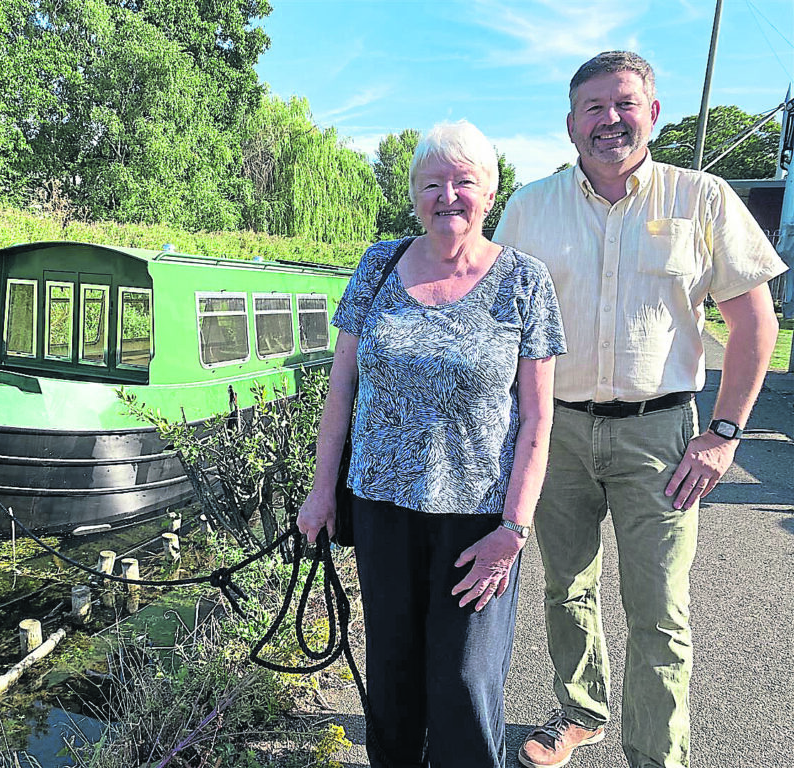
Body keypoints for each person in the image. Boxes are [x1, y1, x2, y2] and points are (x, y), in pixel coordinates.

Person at [494, 51, 787, 768]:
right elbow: (495, 324)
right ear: (570, 125)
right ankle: (578, 713)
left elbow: (756, 324)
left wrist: (723, 434)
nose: (610, 120)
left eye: (624, 103)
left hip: (662, 434)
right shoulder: (530, 207)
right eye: (593, 108)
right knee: (566, 588)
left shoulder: (704, 198)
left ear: (652, 112)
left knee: (659, 610)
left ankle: (657, 756)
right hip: (554, 431)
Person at [297, 120, 566, 768]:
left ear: (490, 192)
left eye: (464, 181)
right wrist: (320, 492)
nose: (448, 195)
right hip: (382, 511)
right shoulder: (378, 264)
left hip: (478, 522)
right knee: (391, 675)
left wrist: (514, 529)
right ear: (415, 194)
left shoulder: (525, 282)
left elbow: (537, 419)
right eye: (432, 183)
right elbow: (341, 392)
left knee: (466, 684)